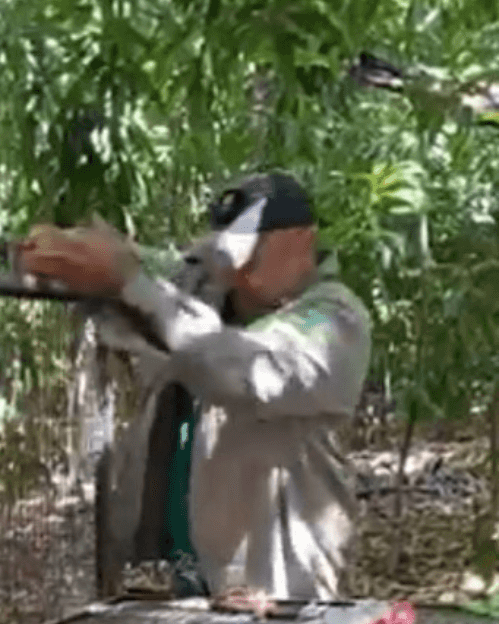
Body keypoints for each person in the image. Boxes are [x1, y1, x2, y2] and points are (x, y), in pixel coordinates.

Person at [18, 172, 372, 601]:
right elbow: (141, 267)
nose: (235, 270)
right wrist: (54, 253)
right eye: (228, 252)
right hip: (192, 586)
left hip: (281, 590)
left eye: (252, 251)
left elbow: (241, 368)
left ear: (302, 239)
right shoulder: (209, 284)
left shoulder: (335, 319)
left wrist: (129, 281)